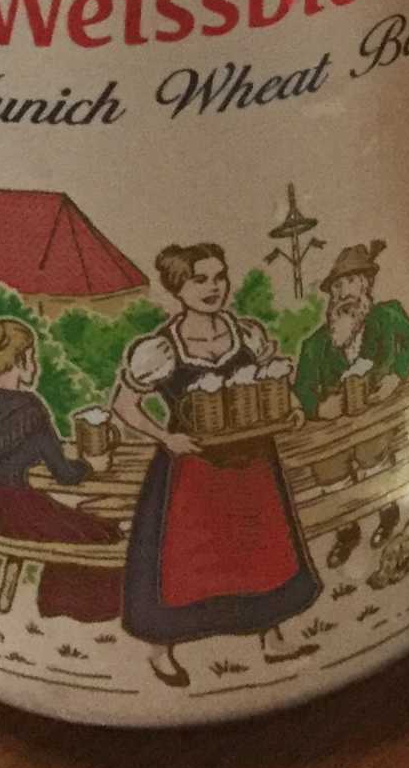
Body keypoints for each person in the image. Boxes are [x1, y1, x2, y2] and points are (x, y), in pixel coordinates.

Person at [112, 242, 321, 689]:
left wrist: (288, 407)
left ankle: (272, 638)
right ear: (178, 288)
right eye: (199, 280)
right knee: (187, 558)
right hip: (193, 470)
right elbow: (124, 405)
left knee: (260, 546)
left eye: (219, 277)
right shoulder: (161, 348)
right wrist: (166, 437)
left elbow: (269, 381)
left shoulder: (244, 333)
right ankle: (161, 650)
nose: (213, 288)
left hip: (251, 463)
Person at [0, 318, 123, 623]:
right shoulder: (31, 410)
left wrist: (19, 456)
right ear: (20, 360)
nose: (35, 365)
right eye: (32, 357)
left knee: (76, 524)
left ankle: (56, 603)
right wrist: (91, 465)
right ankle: (73, 607)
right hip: (19, 508)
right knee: (104, 532)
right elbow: (65, 475)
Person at [292, 241, 409, 418]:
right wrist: (319, 409)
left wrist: (395, 377)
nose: (344, 293)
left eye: (351, 281)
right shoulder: (315, 344)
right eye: (337, 286)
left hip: (395, 415)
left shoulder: (387, 315)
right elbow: (302, 389)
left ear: (365, 284)